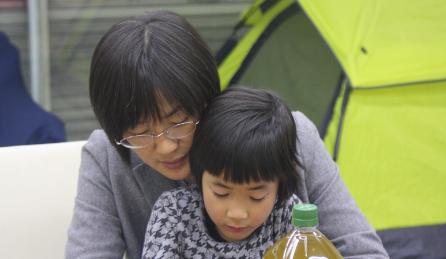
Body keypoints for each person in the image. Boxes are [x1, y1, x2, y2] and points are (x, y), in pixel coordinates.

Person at [65, 11, 389, 259]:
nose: (165, 146)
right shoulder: (106, 158)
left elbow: (364, 251)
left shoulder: (291, 135)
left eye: (178, 122)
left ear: (208, 98)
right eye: (139, 134)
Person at [142, 87, 303, 258]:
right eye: (221, 193)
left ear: (280, 184)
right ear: (199, 175)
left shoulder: (289, 215)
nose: (237, 214)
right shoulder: (174, 213)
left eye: (257, 197)